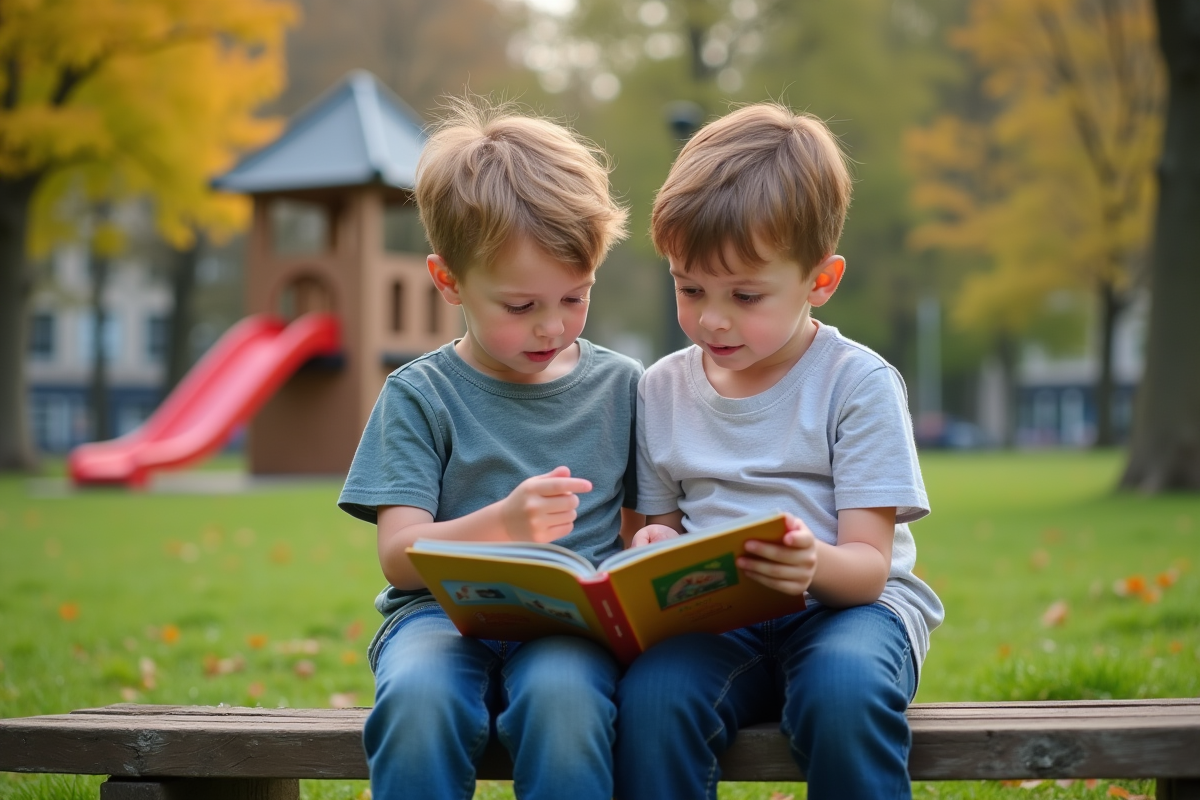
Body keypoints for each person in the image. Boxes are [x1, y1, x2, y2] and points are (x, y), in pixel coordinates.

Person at [613, 103, 944, 800]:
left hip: (849, 614)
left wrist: (809, 563)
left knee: (844, 696)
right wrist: (650, 543)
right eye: (690, 287)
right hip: (717, 620)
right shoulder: (662, 388)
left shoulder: (856, 384)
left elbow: (867, 570)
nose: (712, 317)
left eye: (746, 294)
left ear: (819, 282)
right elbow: (660, 528)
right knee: (653, 699)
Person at [338, 97, 641, 800]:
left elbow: (637, 530)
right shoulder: (421, 394)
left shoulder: (623, 388)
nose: (552, 327)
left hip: (568, 630)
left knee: (567, 707)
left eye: (575, 297)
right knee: (418, 703)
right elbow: (399, 556)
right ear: (449, 282)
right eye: (520, 306)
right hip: (437, 618)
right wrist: (503, 526)